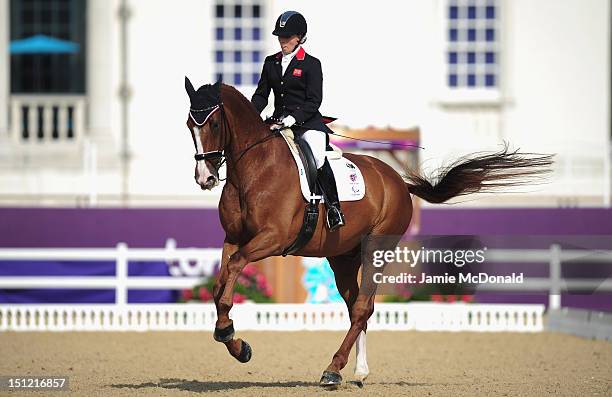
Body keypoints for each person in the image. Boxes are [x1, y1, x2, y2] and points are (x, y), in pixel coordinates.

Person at [251, 11, 345, 231]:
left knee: (318, 158)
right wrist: (250, 113)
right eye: (280, 37)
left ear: (299, 37)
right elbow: (261, 95)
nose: (283, 41)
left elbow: (314, 101)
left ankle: (333, 208)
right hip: (277, 123)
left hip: (307, 124)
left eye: (288, 37)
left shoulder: (312, 64)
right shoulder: (270, 62)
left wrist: (293, 118)